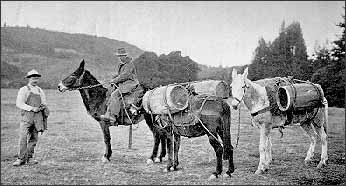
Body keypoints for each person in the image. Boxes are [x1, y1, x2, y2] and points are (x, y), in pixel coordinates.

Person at [13, 69, 49, 166]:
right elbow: (19, 103)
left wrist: (43, 107)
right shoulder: (24, 89)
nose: (35, 80)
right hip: (27, 117)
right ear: (29, 78)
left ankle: (29, 158)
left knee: (34, 138)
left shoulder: (40, 90)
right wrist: (32, 108)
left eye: (37, 78)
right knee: (23, 137)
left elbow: (44, 103)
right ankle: (20, 159)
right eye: (33, 78)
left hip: (38, 118)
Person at [100, 48, 143, 125]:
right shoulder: (122, 64)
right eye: (119, 56)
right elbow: (120, 75)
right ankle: (108, 114)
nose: (120, 58)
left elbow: (125, 76)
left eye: (121, 56)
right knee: (110, 92)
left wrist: (114, 80)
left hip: (130, 83)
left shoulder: (129, 64)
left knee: (114, 95)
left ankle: (113, 116)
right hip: (124, 83)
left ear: (125, 56)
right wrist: (113, 78)